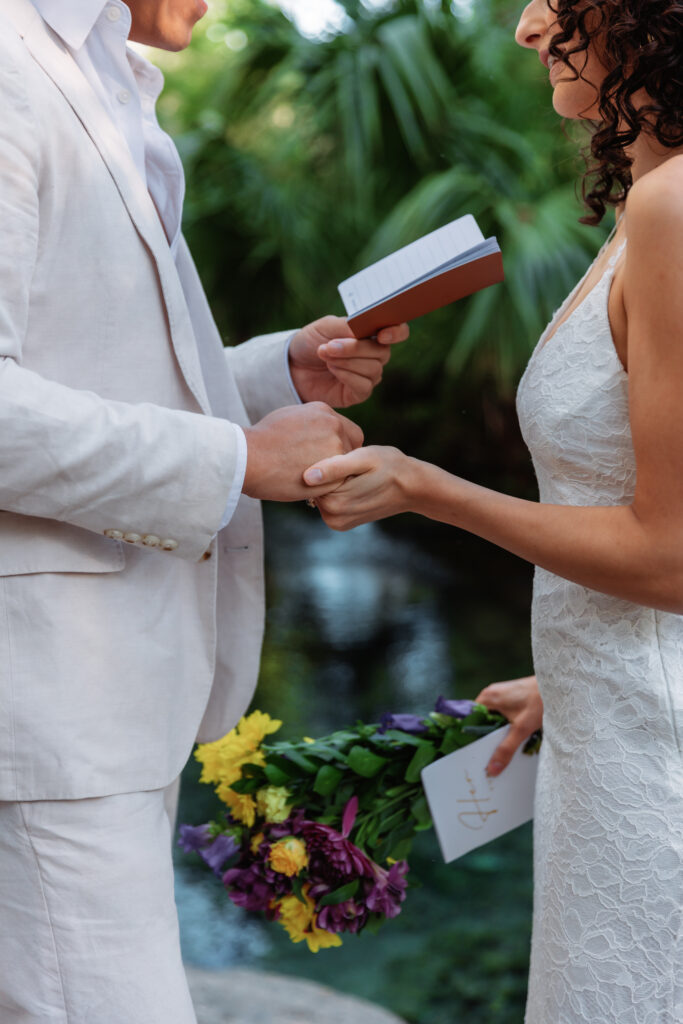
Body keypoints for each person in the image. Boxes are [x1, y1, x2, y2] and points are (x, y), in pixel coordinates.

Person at [0, 1, 409, 1021]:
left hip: (110, 700)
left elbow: (87, 366)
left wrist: (276, 373)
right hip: (51, 703)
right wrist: (234, 460)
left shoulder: (105, 72)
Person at [304, 2, 683, 1021]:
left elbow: (672, 553)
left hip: (654, 769)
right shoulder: (643, 203)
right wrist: (568, 677)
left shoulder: (671, 212)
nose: (524, 26)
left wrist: (427, 487)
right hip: (613, 724)